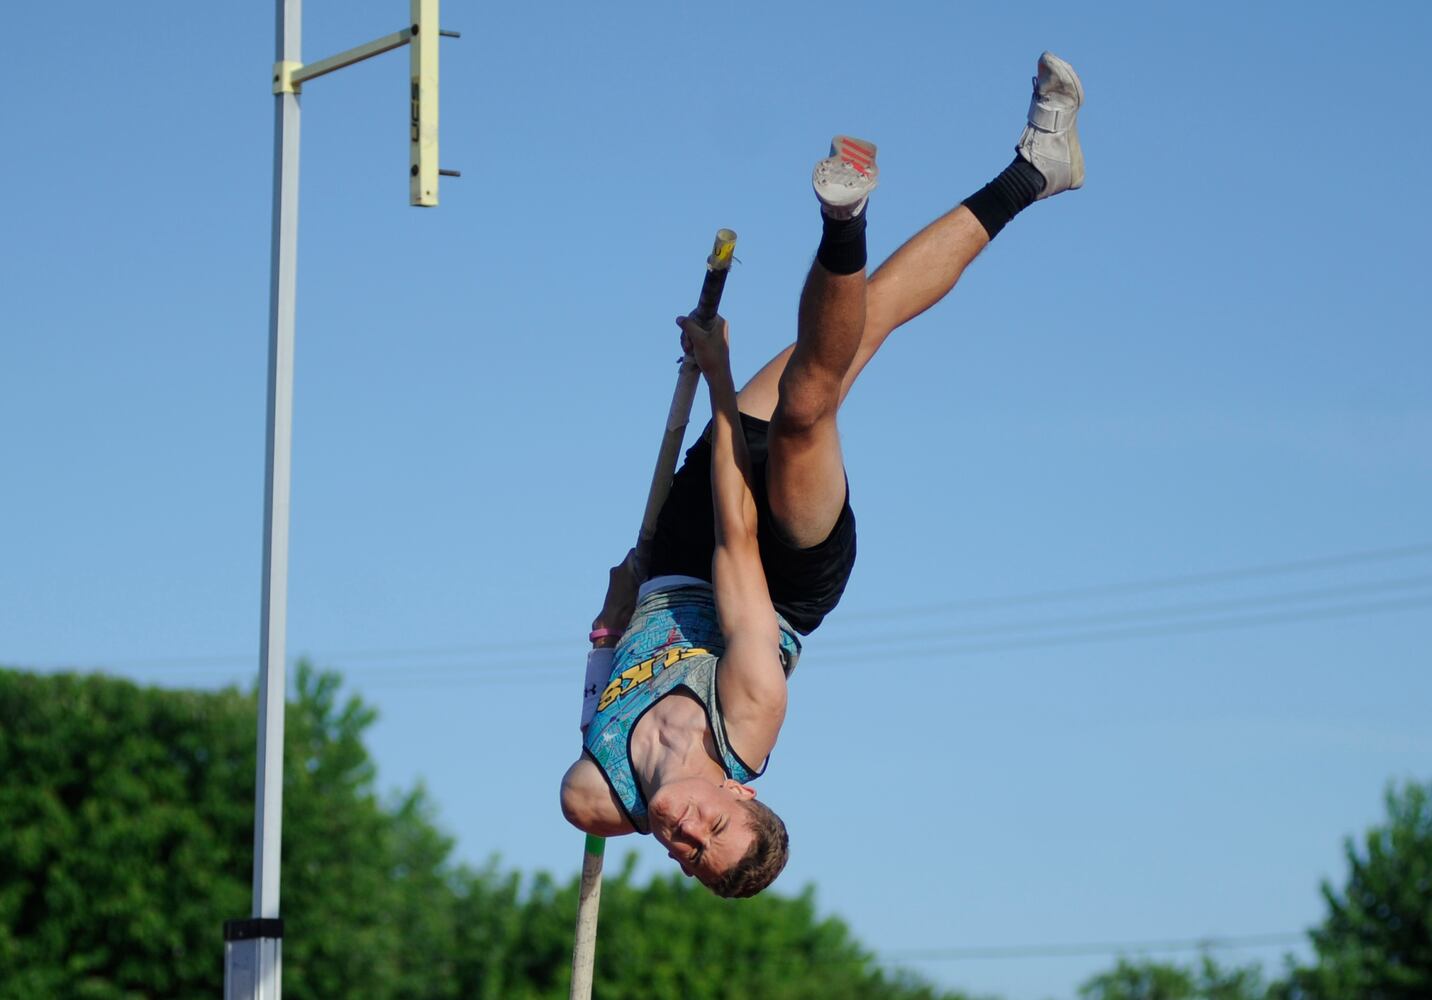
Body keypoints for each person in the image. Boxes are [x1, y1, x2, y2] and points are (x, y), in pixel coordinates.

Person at [560, 52, 1086, 898]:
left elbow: (598, 694)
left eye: (692, 858)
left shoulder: (593, 796)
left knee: (855, 328)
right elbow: (740, 538)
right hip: (776, 583)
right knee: (809, 406)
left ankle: (1036, 170)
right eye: (717, 829)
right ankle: (845, 217)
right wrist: (722, 379)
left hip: (674, 562)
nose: (687, 836)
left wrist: (605, 629)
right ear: (741, 789)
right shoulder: (749, 712)